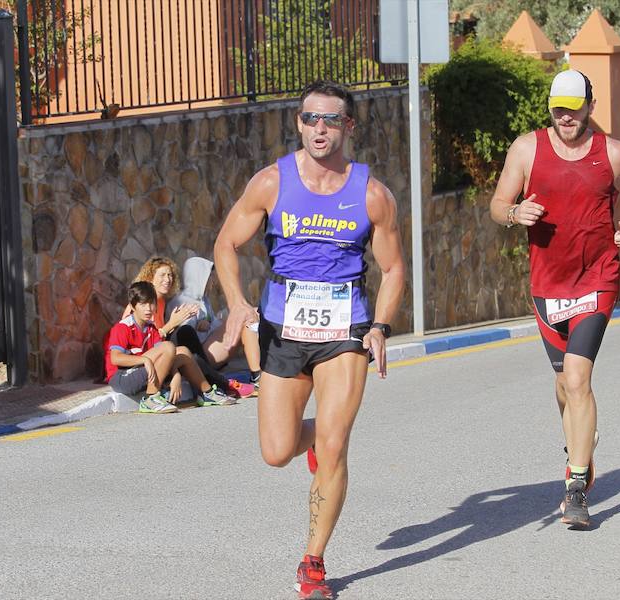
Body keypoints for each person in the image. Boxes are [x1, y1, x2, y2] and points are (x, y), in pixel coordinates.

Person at [214, 80, 406, 599]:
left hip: (345, 330)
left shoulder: (371, 194)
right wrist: (236, 303)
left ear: (349, 127)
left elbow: (392, 269)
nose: (319, 129)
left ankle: (313, 562)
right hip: (283, 328)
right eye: (309, 119)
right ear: (298, 123)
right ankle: (321, 436)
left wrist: (381, 326)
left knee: (336, 444)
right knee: (277, 452)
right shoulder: (270, 183)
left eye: (330, 120)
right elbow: (226, 244)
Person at [489, 69, 620, 529]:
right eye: (558, 106)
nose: (565, 115)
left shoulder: (613, 153)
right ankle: (582, 440)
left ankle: (576, 487)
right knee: (564, 384)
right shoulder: (526, 148)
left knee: (578, 378)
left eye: (573, 107)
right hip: (547, 285)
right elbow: (497, 205)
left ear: (589, 107)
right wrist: (515, 212)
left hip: (597, 279)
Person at [105, 282, 237, 412]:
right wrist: (145, 360)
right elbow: (116, 359)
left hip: (143, 370)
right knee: (168, 346)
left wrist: (176, 376)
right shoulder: (123, 327)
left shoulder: (151, 327)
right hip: (123, 377)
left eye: (151, 303)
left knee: (183, 352)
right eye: (143, 304)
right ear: (133, 307)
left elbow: (168, 357)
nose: (148, 308)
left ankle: (207, 393)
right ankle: (151, 398)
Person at [130, 256, 248, 397]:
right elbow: (144, 343)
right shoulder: (141, 304)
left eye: (170, 275)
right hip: (145, 363)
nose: (168, 279)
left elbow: (159, 340)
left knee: (188, 346)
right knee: (185, 334)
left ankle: (214, 387)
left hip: (164, 356)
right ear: (150, 277)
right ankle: (222, 385)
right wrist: (173, 324)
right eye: (162, 275)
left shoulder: (160, 302)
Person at [165, 256, 262, 395]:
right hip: (202, 356)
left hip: (210, 348)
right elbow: (183, 334)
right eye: (210, 277)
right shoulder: (182, 301)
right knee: (245, 316)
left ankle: (258, 372)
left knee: (251, 313)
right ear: (199, 277)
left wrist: (217, 321)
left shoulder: (204, 301)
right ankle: (257, 376)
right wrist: (200, 324)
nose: (213, 281)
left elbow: (213, 326)